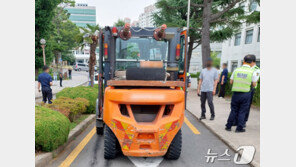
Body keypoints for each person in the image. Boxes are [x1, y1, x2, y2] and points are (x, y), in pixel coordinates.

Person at [225, 55, 258, 133]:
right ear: (252, 63)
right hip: (246, 94)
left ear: (244, 61)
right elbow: (254, 84)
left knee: (233, 110)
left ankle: (228, 126)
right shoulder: (252, 71)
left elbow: (231, 81)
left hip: (236, 93)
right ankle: (239, 128)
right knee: (242, 111)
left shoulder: (236, 70)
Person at [244, 55, 260, 126]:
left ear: (253, 62)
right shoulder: (246, 68)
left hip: (250, 89)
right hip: (243, 87)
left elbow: (255, 81)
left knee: (247, 106)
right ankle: (237, 120)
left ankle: (244, 121)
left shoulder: (256, 69)